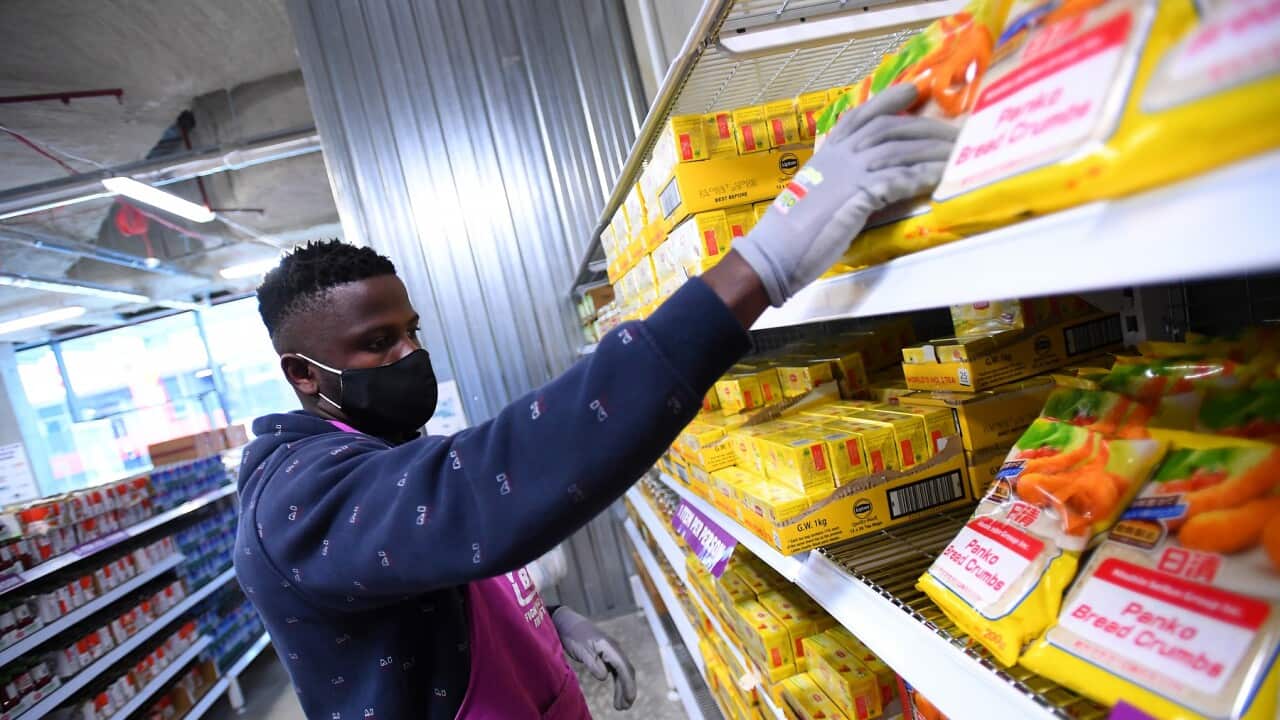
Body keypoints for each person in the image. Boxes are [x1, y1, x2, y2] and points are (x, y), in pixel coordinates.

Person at [233, 85, 954, 720]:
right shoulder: (294, 499)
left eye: (412, 332)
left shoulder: (371, 445)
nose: (409, 356)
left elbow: (423, 554)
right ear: (303, 372)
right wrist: (760, 266)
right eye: (378, 343)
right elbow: (473, 493)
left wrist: (546, 615)